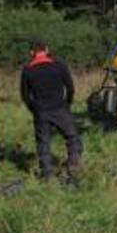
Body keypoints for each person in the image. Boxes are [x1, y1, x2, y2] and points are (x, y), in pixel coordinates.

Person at [20, 40, 82, 179]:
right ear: (46, 50)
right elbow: (70, 88)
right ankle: (73, 165)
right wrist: (67, 104)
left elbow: (24, 95)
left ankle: (47, 173)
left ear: (31, 53)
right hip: (60, 107)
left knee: (43, 142)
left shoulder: (28, 69)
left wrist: (34, 108)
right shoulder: (59, 66)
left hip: (40, 110)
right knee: (72, 136)